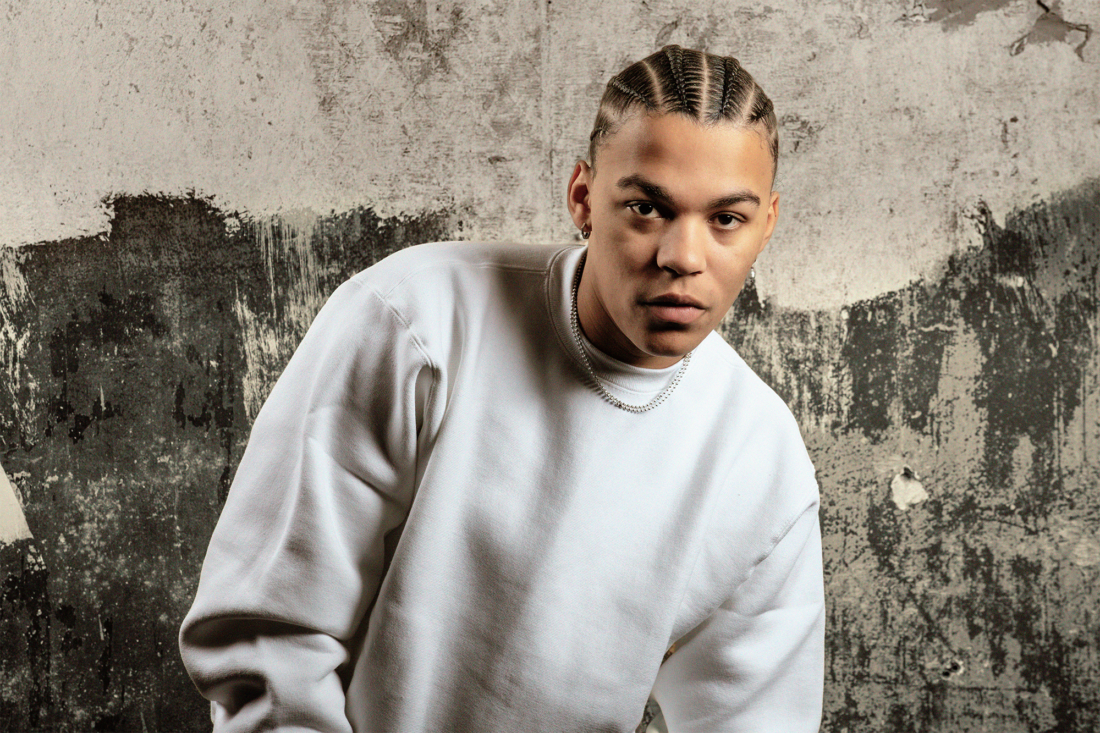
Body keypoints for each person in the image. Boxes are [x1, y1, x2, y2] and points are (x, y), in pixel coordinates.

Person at [179, 45, 824, 732]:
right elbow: (271, 634)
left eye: (726, 219)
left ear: (767, 224)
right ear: (583, 197)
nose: (683, 257)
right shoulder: (415, 324)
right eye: (645, 207)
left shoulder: (762, 459)